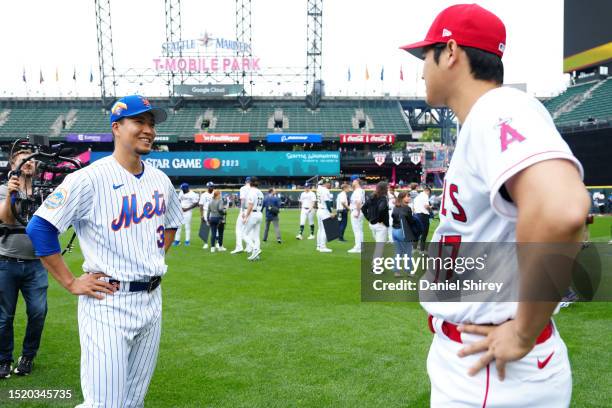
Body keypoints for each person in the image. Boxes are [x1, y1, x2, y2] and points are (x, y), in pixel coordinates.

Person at [401, 4, 589, 406]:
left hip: (493, 371)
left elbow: (564, 211)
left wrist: (522, 331)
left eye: (425, 55)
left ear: (450, 52)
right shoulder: (487, 116)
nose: (421, 69)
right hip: (479, 361)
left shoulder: (498, 109)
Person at [26, 95, 183, 407]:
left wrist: (149, 256)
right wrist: (71, 282)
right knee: (104, 403)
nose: (148, 129)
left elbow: (172, 222)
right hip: (107, 302)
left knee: (133, 401)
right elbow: (40, 227)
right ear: (116, 127)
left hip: (152, 300)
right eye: (139, 121)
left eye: (151, 124)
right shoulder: (88, 178)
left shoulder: (160, 180)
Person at [0, 150, 48, 378]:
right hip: (6, 262)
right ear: (13, 164)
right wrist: (12, 192)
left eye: (32, 159)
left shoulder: (43, 193)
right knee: (4, 316)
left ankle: (28, 355)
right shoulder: (3, 188)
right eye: (23, 159)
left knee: (38, 313)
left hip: (36, 264)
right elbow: (6, 220)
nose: (29, 162)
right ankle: (4, 360)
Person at [391, 191, 417, 277]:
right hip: (402, 231)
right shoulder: (407, 208)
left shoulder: (395, 207)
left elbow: (393, 216)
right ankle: (409, 271)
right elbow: (411, 221)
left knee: (398, 252)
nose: (409, 198)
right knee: (408, 252)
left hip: (394, 231)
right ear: (402, 198)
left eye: (409, 196)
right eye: (407, 196)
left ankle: (396, 271)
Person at [362, 181, 389, 261]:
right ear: (385, 189)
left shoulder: (371, 197)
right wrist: (379, 220)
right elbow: (380, 209)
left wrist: (369, 218)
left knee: (378, 245)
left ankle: (378, 260)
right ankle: (375, 267)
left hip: (372, 224)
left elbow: (363, 208)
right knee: (379, 247)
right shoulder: (383, 198)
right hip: (380, 225)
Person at [242, 177, 264, 261]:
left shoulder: (251, 192)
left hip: (253, 214)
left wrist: (246, 216)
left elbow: (250, 205)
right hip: (259, 213)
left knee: (244, 234)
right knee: (256, 236)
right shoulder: (260, 192)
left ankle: (255, 249)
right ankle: (256, 255)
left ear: (250, 183)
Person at [175, 182, 199, 246]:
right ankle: (177, 241)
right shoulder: (181, 192)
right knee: (178, 226)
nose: (181, 189)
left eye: (182, 188)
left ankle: (187, 241)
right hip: (180, 211)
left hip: (188, 212)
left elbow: (196, 203)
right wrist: (179, 207)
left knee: (187, 226)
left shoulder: (193, 194)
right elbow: (179, 200)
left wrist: (187, 209)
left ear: (186, 188)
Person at [232, 177, 252, 254]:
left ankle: (239, 247)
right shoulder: (255, 189)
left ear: (245, 182)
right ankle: (249, 248)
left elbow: (243, 200)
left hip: (245, 209)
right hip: (252, 210)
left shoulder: (243, 188)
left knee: (238, 228)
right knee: (249, 229)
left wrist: (243, 211)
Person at [315, 178, 334, 252]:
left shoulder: (319, 189)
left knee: (320, 229)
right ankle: (322, 247)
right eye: (329, 183)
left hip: (319, 210)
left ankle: (319, 245)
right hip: (324, 211)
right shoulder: (325, 190)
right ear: (326, 183)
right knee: (325, 229)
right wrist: (331, 212)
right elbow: (327, 202)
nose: (330, 184)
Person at [348, 175, 365, 253]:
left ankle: (358, 247)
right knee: (359, 230)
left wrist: (357, 212)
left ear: (356, 181)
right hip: (357, 210)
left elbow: (358, 202)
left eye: (353, 181)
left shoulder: (358, 191)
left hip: (356, 211)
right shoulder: (358, 190)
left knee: (357, 231)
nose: (352, 182)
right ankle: (360, 247)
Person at [413, 186, 432, 252]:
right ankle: (422, 249)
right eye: (429, 193)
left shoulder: (417, 197)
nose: (429, 195)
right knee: (424, 233)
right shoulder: (425, 196)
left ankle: (414, 248)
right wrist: (430, 207)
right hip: (423, 216)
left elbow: (414, 208)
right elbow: (426, 206)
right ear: (428, 191)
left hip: (416, 215)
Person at [198, 181, 214, 249]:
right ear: (207, 187)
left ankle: (216, 243)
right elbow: (201, 205)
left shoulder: (215, 193)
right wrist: (201, 215)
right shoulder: (204, 195)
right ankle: (205, 243)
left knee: (215, 228)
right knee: (205, 228)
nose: (211, 187)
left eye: (212, 186)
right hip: (206, 211)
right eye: (210, 186)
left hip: (214, 212)